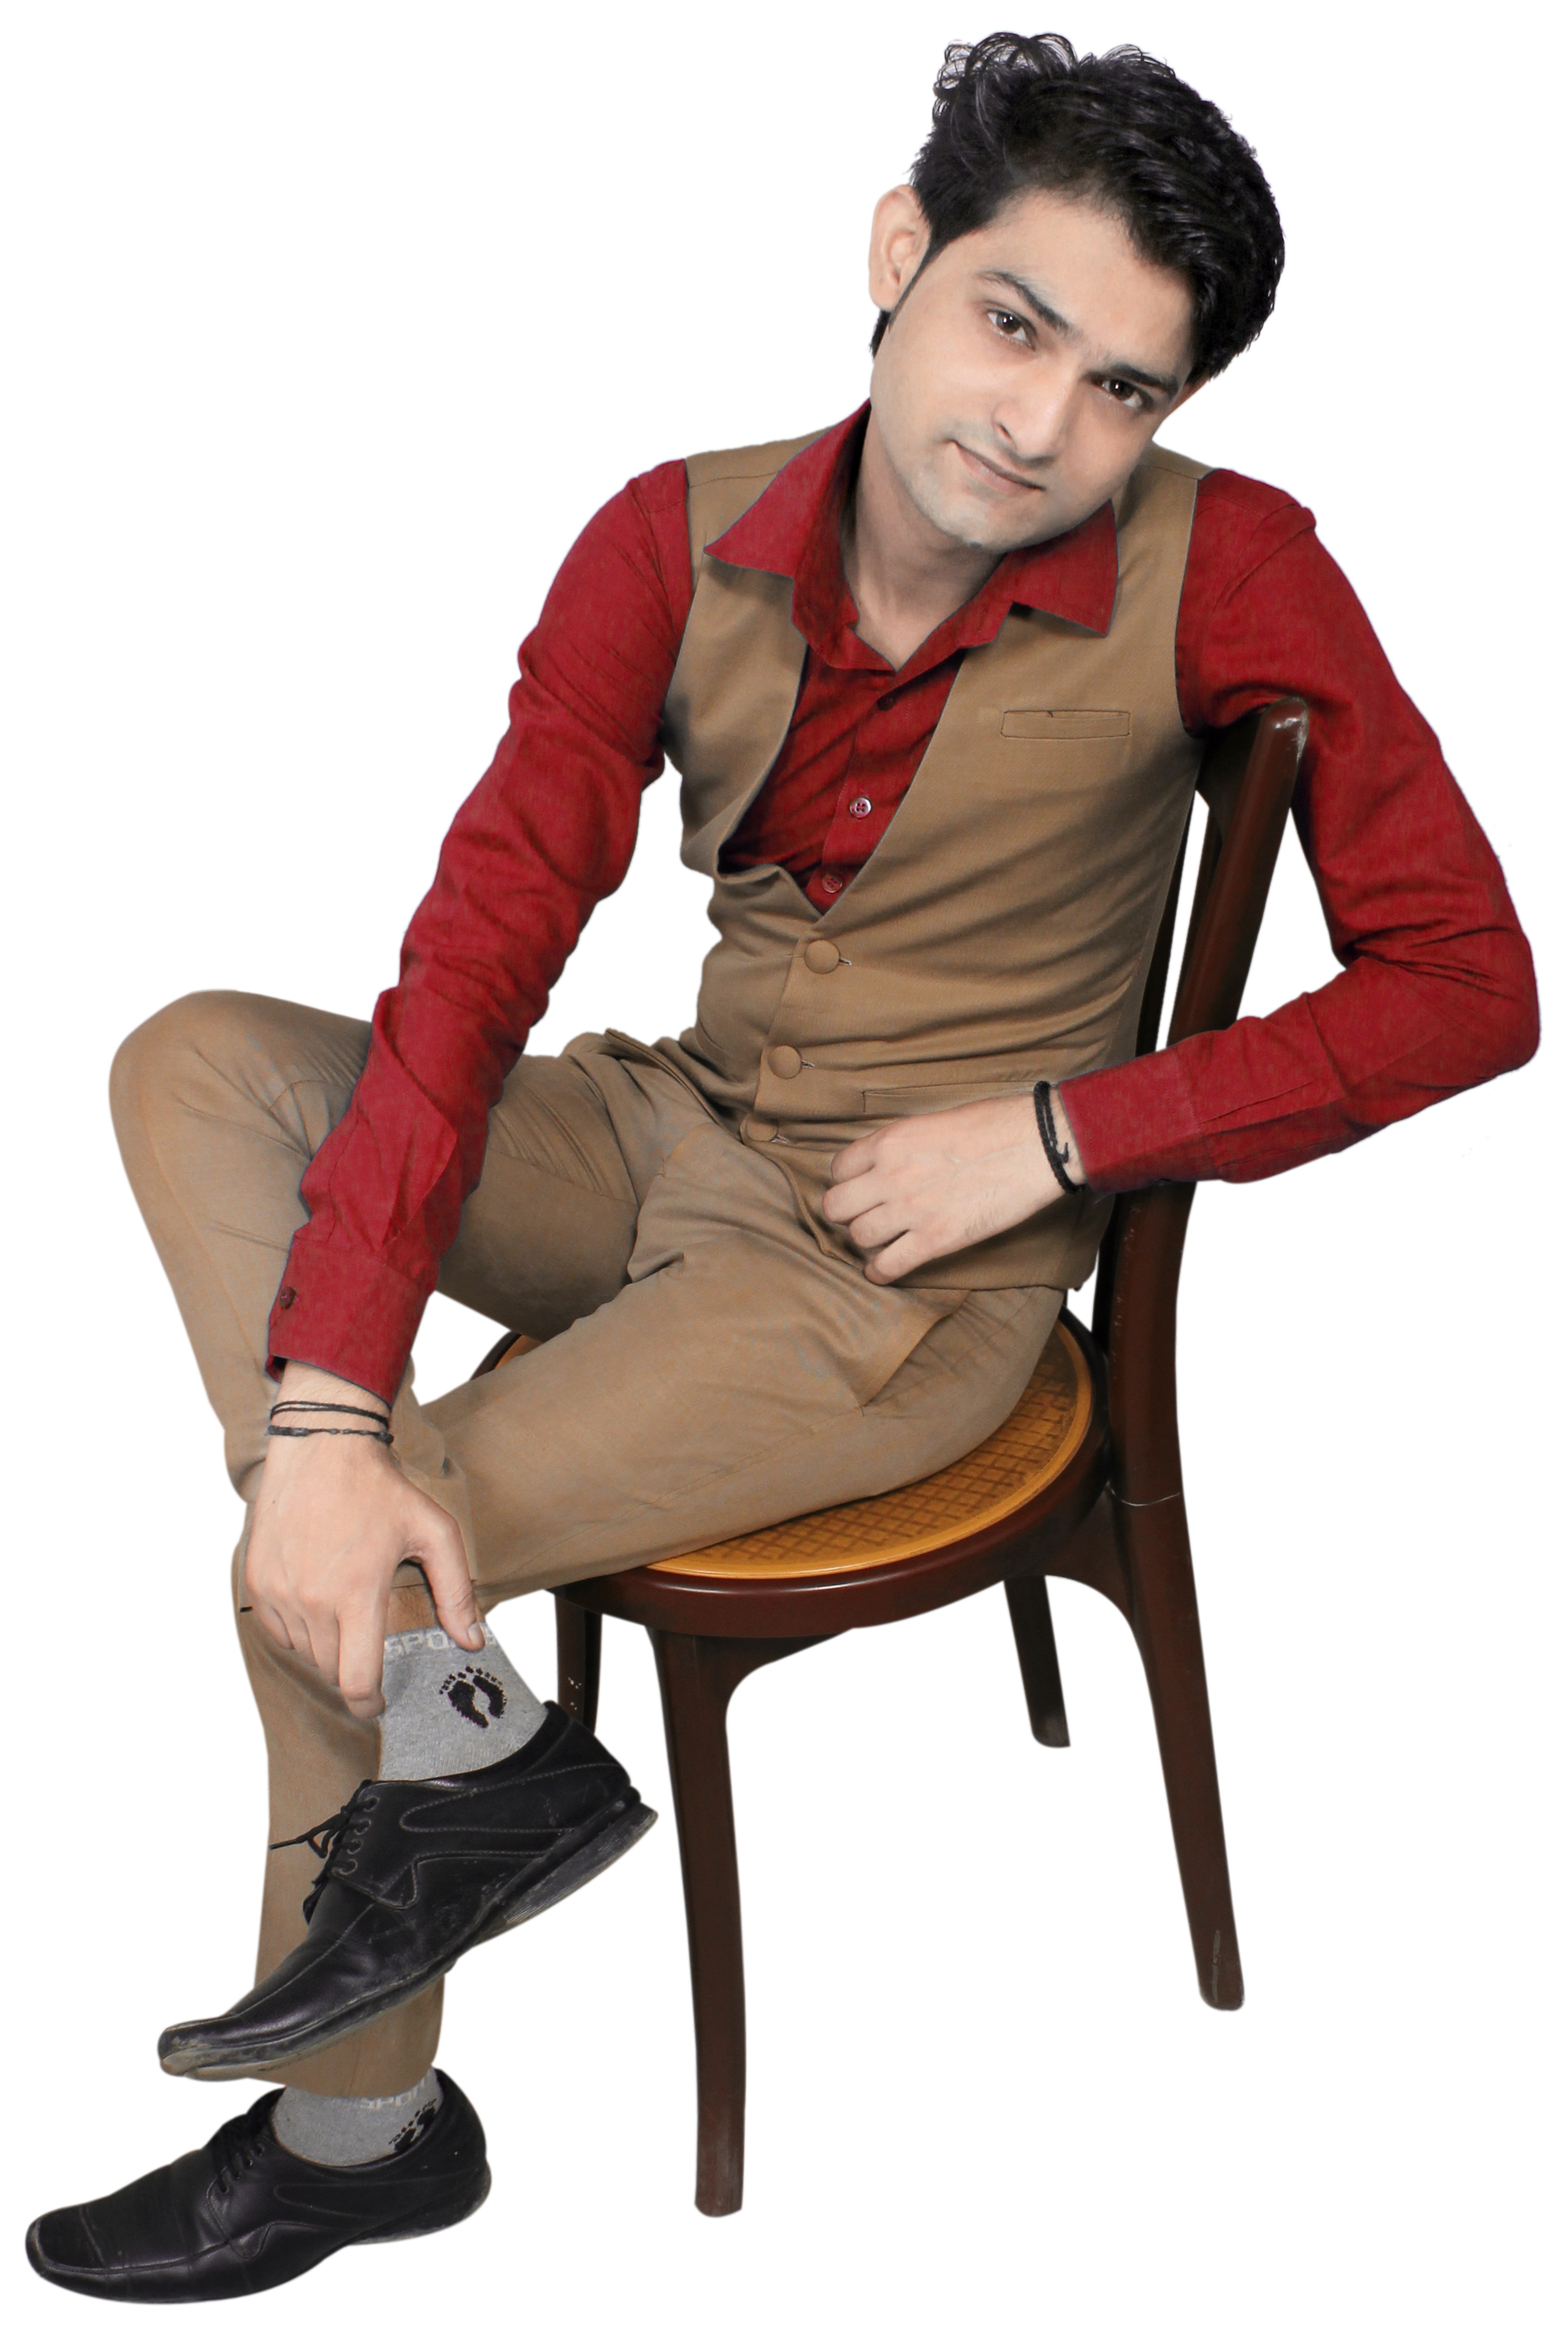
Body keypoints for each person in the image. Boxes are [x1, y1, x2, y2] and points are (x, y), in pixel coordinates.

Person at [26, 29, 1537, 2303]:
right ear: (902, 250)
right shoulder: (675, 533)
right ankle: (452, 1729)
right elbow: (476, 961)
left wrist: (1069, 1130)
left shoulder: (1236, 565)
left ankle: (359, 2133)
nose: (1042, 422)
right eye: (1014, 321)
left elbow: (1470, 982)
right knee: (201, 1075)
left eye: (1124, 388)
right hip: (672, 1124)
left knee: (341, 1577)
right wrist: (319, 1419)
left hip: (895, 1280)